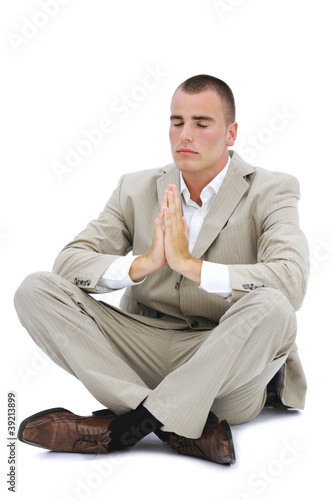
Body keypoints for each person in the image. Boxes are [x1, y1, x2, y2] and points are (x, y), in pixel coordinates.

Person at [14, 75, 309, 465]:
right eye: (176, 122)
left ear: (231, 133)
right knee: (34, 290)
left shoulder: (272, 189)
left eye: (201, 124)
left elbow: (291, 281)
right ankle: (177, 424)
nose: (185, 135)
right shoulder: (134, 188)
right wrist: (142, 264)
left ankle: (125, 429)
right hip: (141, 347)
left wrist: (192, 267)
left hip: (222, 358)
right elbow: (69, 264)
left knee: (274, 308)